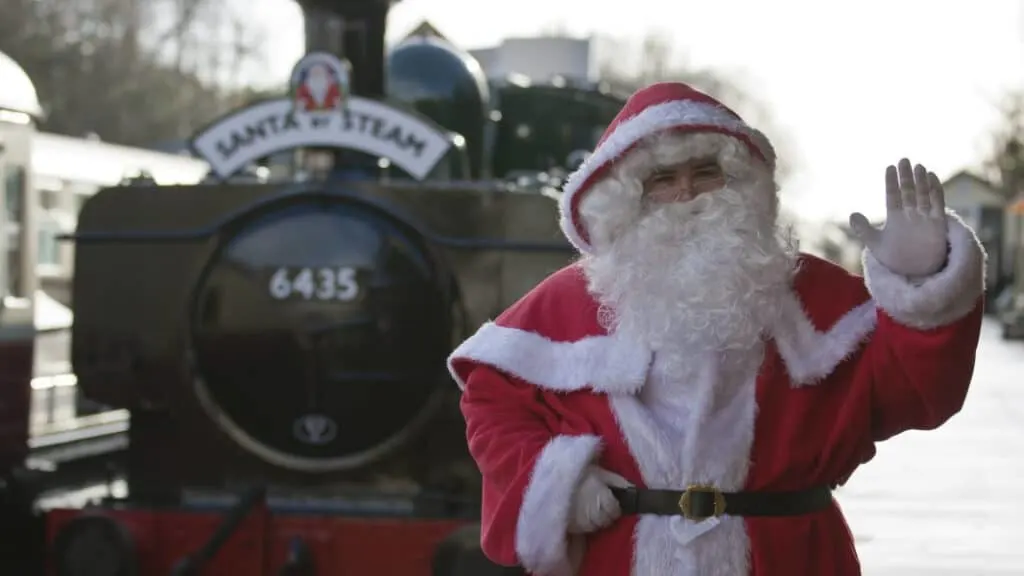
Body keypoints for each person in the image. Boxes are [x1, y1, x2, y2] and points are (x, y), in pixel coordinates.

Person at [446, 82, 986, 576]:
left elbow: (916, 395)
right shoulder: (569, 300)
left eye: (707, 172)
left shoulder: (811, 293)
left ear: (742, 185)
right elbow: (492, 401)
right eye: (662, 179)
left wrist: (922, 285)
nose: (687, 194)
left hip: (789, 558)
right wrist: (558, 480)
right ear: (629, 199)